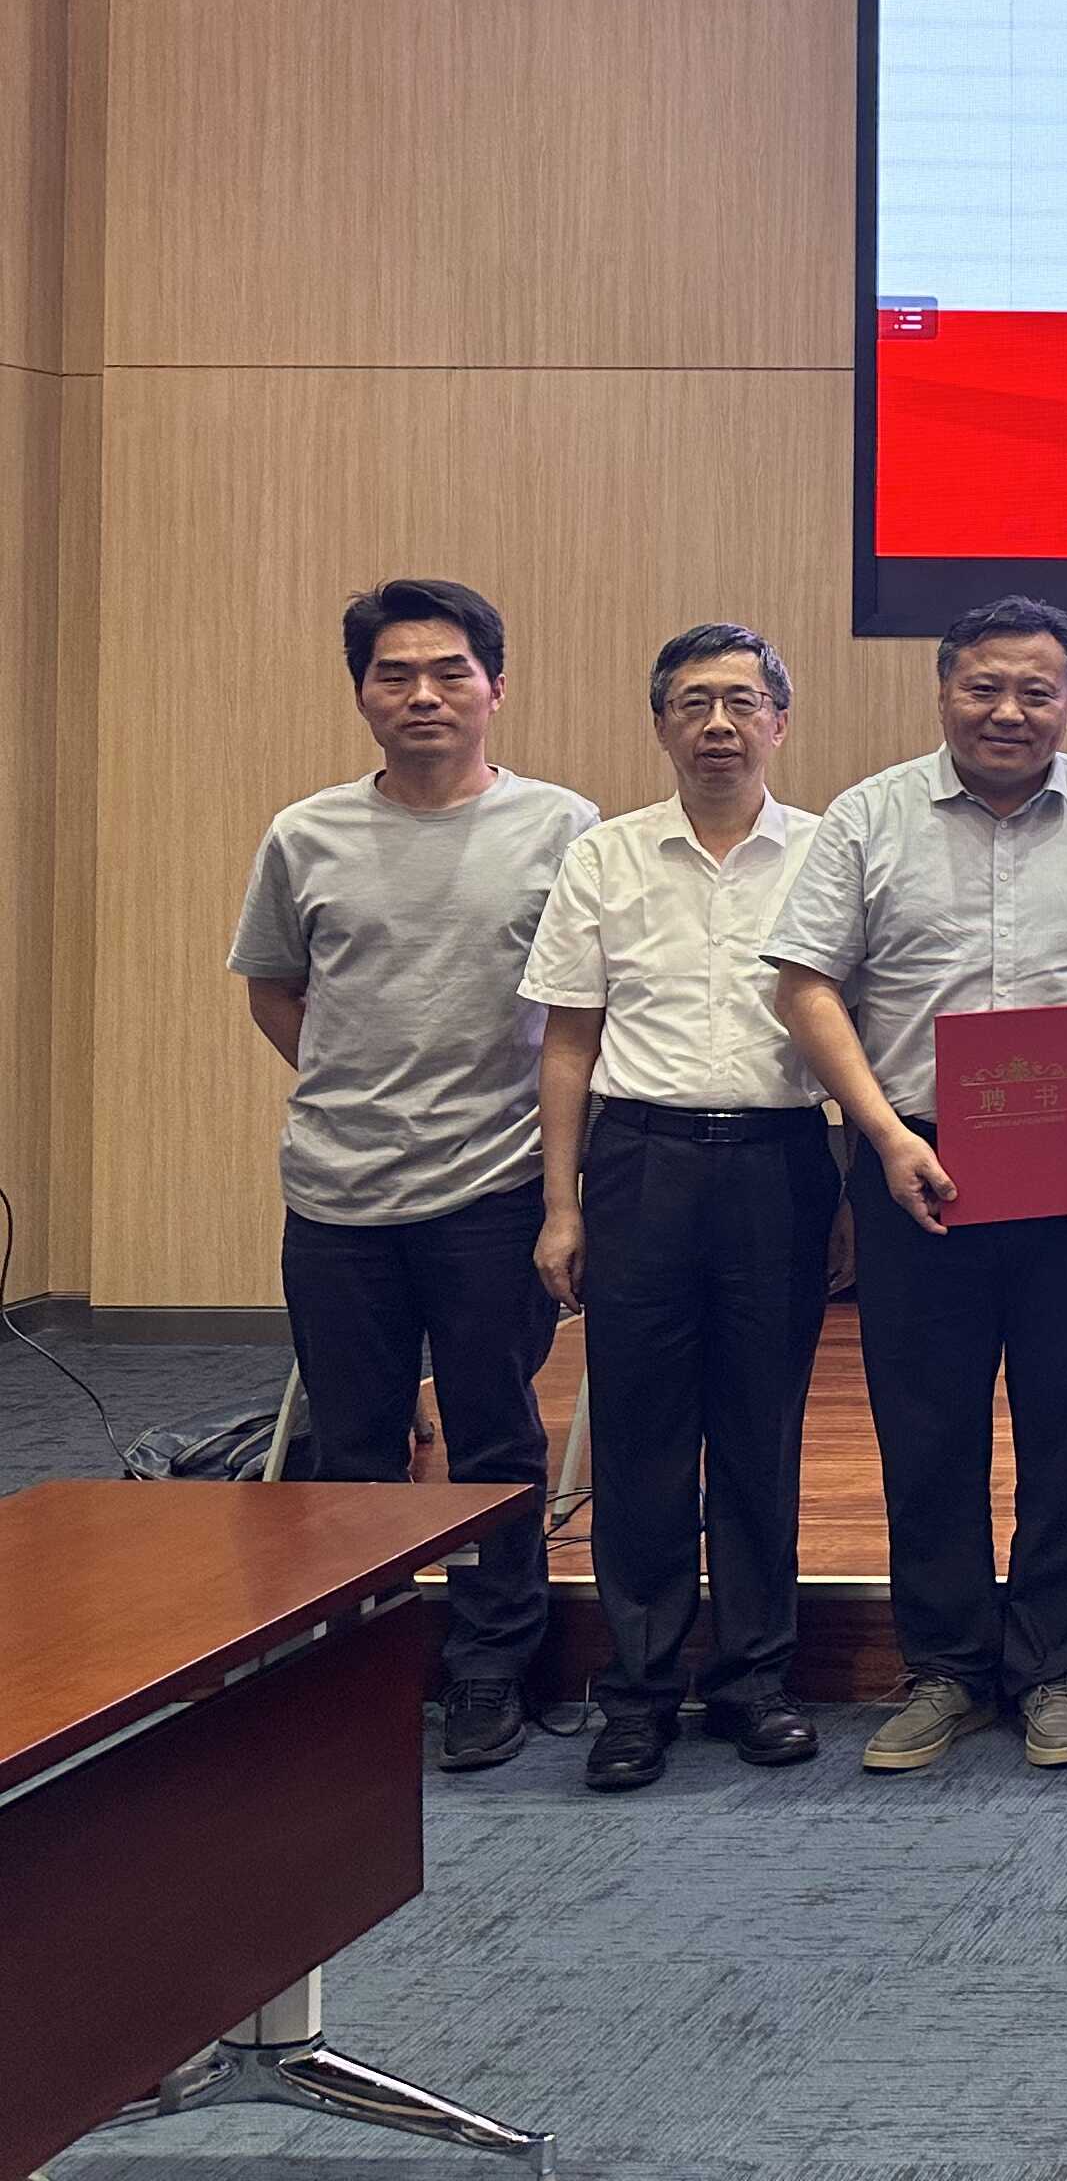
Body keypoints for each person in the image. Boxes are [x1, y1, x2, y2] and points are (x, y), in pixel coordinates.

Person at [766, 595, 1067, 1776]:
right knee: (926, 1424)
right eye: (985, 687)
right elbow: (806, 985)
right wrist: (882, 1136)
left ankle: (1051, 1667)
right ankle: (944, 1667)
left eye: (1037, 691)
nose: (1009, 711)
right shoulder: (869, 817)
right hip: (916, 1166)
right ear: (943, 690)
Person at [231, 579, 597, 1772]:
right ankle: (371, 1664)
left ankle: (494, 1663)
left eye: (450, 672)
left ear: (496, 688)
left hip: (494, 1187)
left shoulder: (562, 828)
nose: (424, 695)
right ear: (362, 694)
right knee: (352, 1446)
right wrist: (356, 1083)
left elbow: (585, 1010)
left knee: (495, 1439)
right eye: (396, 674)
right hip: (335, 1195)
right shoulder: (306, 833)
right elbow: (274, 989)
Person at [523, 624, 833, 1790]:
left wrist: (852, 1188)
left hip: (779, 1161)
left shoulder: (828, 853)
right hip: (639, 1161)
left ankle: (756, 1681)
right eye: (694, 703)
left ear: (779, 723)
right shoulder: (605, 857)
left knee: (760, 1433)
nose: (719, 724)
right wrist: (561, 1206)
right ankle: (640, 1691)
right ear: (660, 723)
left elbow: (855, 1030)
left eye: (742, 703)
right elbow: (567, 1043)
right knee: (642, 1438)